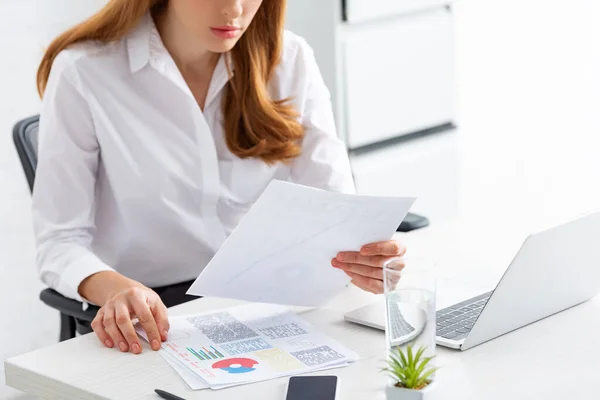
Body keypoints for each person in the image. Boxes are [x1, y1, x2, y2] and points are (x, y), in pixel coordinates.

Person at [33, 0, 407, 355]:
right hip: (156, 316)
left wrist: (367, 258)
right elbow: (59, 241)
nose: (233, 10)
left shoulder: (289, 58)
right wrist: (119, 289)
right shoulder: (85, 71)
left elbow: (336, 206)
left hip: (269, 299)